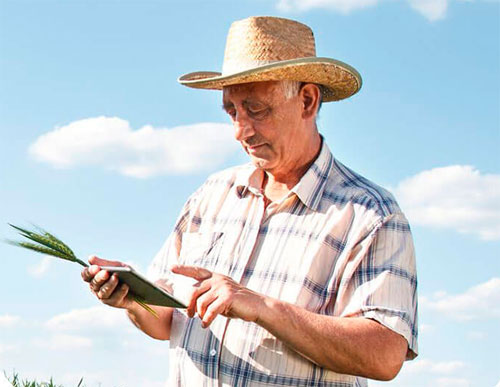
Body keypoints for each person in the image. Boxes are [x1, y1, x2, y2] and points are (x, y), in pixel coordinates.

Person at [81, 16, 418, 386]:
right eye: (232, 112)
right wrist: (132, 299)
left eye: (256, 109)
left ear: (307, 100)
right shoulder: (212, 194)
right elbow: (166, 322)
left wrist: (263, 308)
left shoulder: (370, 214)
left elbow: (385, 355)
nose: (241, 130)